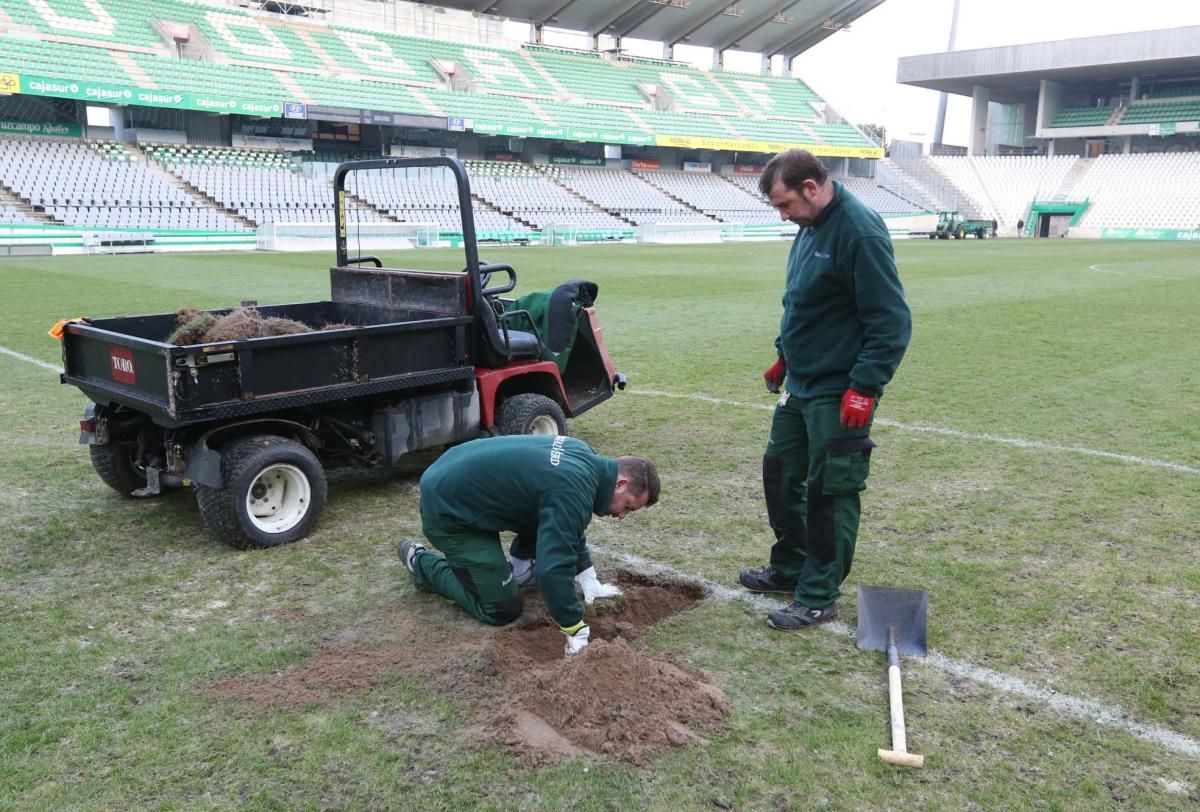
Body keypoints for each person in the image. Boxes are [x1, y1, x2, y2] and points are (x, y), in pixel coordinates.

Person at [742, 149, 912, 631]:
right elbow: (802, 303)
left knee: (830, 490)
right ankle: (791, 566)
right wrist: (785, 354)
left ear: (812, 189)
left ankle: (818, 594)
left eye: (785, 205)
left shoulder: (859, 232)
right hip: (801, 382)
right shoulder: (809, 226)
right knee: (780, 472)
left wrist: (864, 387)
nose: (783, 215)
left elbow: (891, 320)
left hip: (840, 391)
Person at [398, 434, 659, 655]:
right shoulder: (572, 489)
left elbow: (566, 523)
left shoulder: (585, 458)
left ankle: (519, 569)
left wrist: (587, 575)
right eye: (628, 507)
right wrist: (574, 627)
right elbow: (551, 569)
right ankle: (420, 564)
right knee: (502, 609)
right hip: (451, 512)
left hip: (460, 477)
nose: (622, 516)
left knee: (545, 511)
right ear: (621, 483)